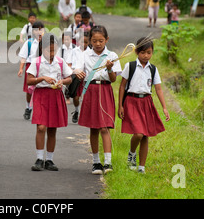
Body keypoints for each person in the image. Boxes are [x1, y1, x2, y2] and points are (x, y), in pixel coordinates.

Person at [118, 37, 170, 174]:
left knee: (145, 135)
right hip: (132, 102)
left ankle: (141, 166)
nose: (146, 55)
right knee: (139, 134)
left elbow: (158, 89)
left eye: (149, 52)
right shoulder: (130, 66)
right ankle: (132, 153)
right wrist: (120, 106)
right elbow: (122, 86)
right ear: (136, 52)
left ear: (152, 52)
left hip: (146, 102)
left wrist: (164, 107)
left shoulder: (153, 69)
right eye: (142, 53)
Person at [74, 26, 122, 175]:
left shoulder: (112, 55)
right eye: (94, 41)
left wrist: (109, 68)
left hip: (105, 90)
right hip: (91, 91)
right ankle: (96, 162)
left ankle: (108, 162)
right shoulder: (84, 55)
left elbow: (113, 79)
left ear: (106, 40)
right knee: (93, 128)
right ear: (89, 41)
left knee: (104, 127)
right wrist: (78, 72)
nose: (98, 44)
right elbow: (77, 70)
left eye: (101, 41)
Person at [26, 33, 73, 171]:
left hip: (56, 95)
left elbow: (69, 77)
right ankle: (39, 158)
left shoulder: (60, 61)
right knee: (41, 127)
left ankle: (50, 160)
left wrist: (62, 82)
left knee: (52, 128)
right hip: (41, 95)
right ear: (42, 48)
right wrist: (42, 78)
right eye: (49, 50)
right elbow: (29, 80)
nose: (52, 53)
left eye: (54, 50)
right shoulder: (37, 62)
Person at [18, 21, 45, 120]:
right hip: (31, 66)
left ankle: (39, 108)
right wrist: (21, 68)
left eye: (41, 29)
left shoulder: (46, 42)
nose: (39, 32)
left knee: (41, 88)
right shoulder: (29, 42)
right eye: (36, 30)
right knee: (29, 89)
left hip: (42, 67)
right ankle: (28, 107)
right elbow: (24, 57)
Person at [69, 31, 90, 123]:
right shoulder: (74, 51)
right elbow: (69, 64)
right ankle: (77, 111)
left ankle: (86, 115)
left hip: (87, 78)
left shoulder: (91, 52)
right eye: (82, 42)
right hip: (76, 77)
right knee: (76, 97)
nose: (84, 44)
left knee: (87, 98)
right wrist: (75, 71)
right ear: (78, 41)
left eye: (86, 42)